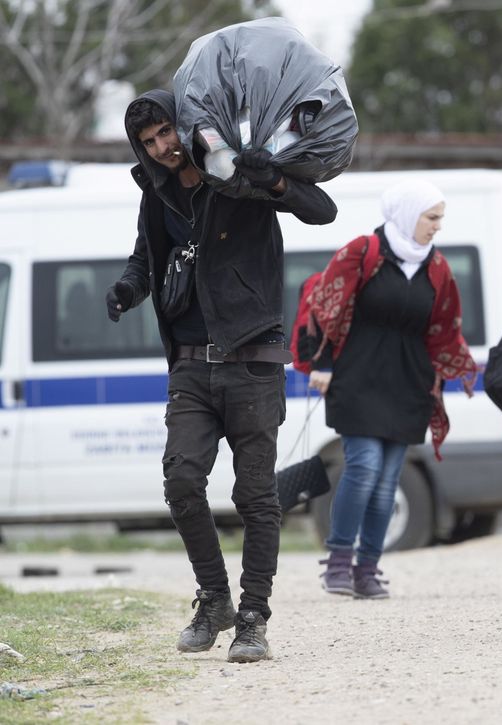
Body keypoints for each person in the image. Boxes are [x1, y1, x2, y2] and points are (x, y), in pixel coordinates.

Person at [105, 90, 337, 662]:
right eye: (149, 141)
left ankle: (254, 617)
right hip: (188, 364)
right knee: (182, 482)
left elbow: (321, 209)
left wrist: (274, 180)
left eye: (166, 133)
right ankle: (215, 599)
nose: (161, 148)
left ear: (184, 126)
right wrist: (129, 289)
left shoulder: (236, 170)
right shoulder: (155, 192)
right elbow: (147, 257)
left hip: (253, 361)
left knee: (256, 496)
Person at [306, 180, 477, 599]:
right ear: (407, 213)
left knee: (386, 481)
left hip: (408, 383)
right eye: (431, 218)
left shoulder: (436, 267)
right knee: (362, 468)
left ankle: (367, 569)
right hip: (357, 377)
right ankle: (339, 562)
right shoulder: (362, 252)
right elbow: (324, 306)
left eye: (440, 219)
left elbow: (444, 325)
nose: (437, 227)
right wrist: (321, 363)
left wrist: (449, 371)